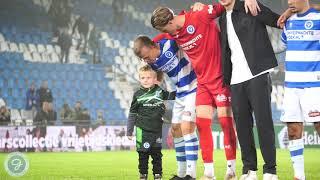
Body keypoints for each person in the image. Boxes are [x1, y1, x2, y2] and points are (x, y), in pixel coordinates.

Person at [150, 1, 263, 178]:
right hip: (202, 83)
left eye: (164, 29)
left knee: (226, 125)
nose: (165, 33)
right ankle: (209, 173)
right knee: (202, 126)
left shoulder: (200, 15)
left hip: (220, 79)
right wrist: (148, 45)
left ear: (170, 22)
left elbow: (224, 4)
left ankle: (231, 169)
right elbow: (158, 40)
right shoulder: (175, 34)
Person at [211, 0, 286, 179]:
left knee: (264, 123)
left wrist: (291, 13)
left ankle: (270, 170)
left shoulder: (248, 4)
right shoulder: (221, 18)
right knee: (243, 127)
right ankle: (249, 170)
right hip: (236, 80)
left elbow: (277, 21)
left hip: (257, 74)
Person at [133, 35, 198, 180]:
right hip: (181, 92)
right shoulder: (154, 63)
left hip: (194, 87)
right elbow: (158, 76)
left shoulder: (170, 43)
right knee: (176, 130)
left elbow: (177, 31)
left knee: (187, 127)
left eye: (146, 56)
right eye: (143, 58)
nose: (146, 60)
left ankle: (191, 174)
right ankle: (181, 174)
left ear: (152, 46)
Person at [280, 0, 320, 179]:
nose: (289, 1)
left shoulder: (318, 18)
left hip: (313, 85)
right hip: (291, 86)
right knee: (293, 130)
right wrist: (289, 13)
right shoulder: (289, 22)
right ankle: (299, 175)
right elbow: (285, 45)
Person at [126, 65, 175, 180]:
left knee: (157, 154)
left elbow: (171, 95)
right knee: (142, 155)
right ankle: (143, 174)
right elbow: (132, 113)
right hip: (141, 130)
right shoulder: (137, 95)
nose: (146, 80)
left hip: (156, 130)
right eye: (143, 78)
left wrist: (184, 91)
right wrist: (129, 130)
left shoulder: (159, 91)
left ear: (154, 79)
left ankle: (158, 174)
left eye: (148, 77)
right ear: (139, 79)